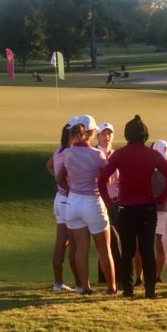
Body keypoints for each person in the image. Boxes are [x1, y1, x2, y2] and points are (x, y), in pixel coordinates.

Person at [98, 115, 167, 299]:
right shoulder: (153, 154)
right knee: (147, 250)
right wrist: (161, 199)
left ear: (127, 135)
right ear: (145, 135)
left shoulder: (119, 154)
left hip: (125, 209)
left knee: (127, 251)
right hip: (148, 209)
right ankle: (150, 290)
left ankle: (128, 289)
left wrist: (110, 205)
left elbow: (102, 181)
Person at [56, 115, 116, 295]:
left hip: (73, 203)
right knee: (104, 248)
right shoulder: (98, 154)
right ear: (91, 133)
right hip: (92, 202)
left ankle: (85, 287)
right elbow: (109, 178)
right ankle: (112, 287)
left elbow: (60, 177)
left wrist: (70, 190)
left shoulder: (67, 153)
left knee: (81, 248)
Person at [46, 119, 81, 292]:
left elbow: (49, 166)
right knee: (74, 244)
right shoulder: (71, 153)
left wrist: (58, 180)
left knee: (61, 243)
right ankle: (80, 284)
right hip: (69, 198)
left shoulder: (59, 151)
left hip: (59, 198)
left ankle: (58, 283)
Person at [96, 123, 122, 287]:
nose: (107, 137)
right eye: (103, 134)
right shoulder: (95, 154)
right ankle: (104, 278)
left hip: (116, 201)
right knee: (105, 242)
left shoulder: (117, 155)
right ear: (97, 136)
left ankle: (119, 276)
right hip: (99, 202)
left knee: (118, 240)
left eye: (109, 134)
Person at [152, 140, 167, 283]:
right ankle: (150, 275)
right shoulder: (149, 167)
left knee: (160, 244)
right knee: (148, 244)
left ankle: (157, 276)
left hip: (162, 211)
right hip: (151, 210)